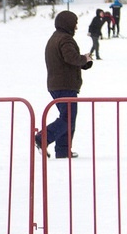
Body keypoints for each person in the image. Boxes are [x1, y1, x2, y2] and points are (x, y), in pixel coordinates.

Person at [36, 11, 93, 159]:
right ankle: (43, 138)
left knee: (67, 117)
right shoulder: (65, 39)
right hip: (65, 85)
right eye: (75, 23)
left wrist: (84, 62)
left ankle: (63, 151)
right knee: (68, 118)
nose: (76, 27)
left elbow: (66, 61)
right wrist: (84, 58)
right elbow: (71, 58)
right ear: (67, 23)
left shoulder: (56, 38)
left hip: (57, 84)